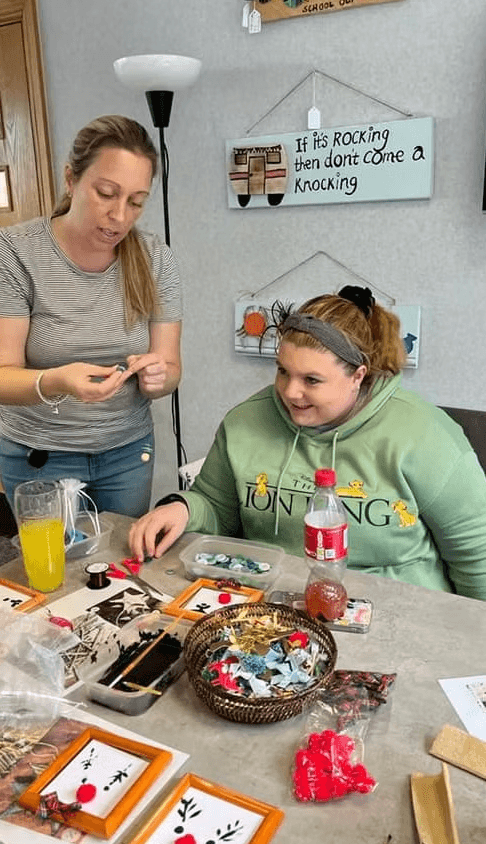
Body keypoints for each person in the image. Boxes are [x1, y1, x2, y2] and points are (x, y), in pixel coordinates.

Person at [129, 285, 486, 600]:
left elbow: (478, 557)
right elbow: (218, 508)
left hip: (400, 616)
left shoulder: (426, 436)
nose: (289, 391)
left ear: (357, 376)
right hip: (276, 610)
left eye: (312, 380)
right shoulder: (245, 422)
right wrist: (183, 508)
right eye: (282, 371)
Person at [0, 115, 182, 516]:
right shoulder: (15, 253)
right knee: (54, 575)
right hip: (39, 456)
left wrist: (158, 377)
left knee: (122, 571)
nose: (121, 216)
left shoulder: (155, 258)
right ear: (71, 180)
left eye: (136, 202)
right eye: (106, 193)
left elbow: (170, 369)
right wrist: (57, 381)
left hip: (127, 454)